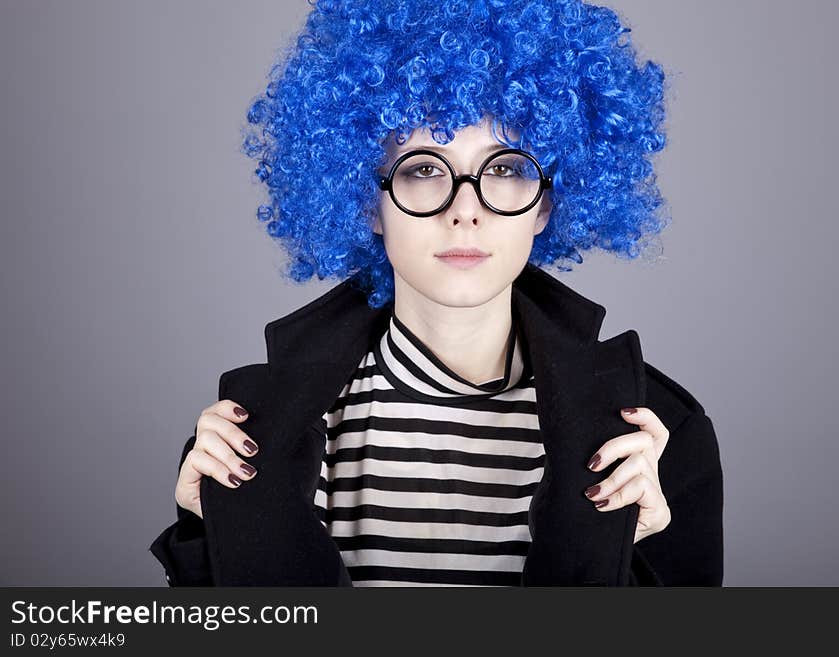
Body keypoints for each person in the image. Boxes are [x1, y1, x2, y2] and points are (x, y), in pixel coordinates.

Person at [150, 0, 723, 586]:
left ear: (546, 203)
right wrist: (213, 539)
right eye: (423, 170)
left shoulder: (648, 441)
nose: (465, 211)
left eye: (505, 170)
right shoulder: (252, 440)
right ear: (368, 201)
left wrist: (628, 557)